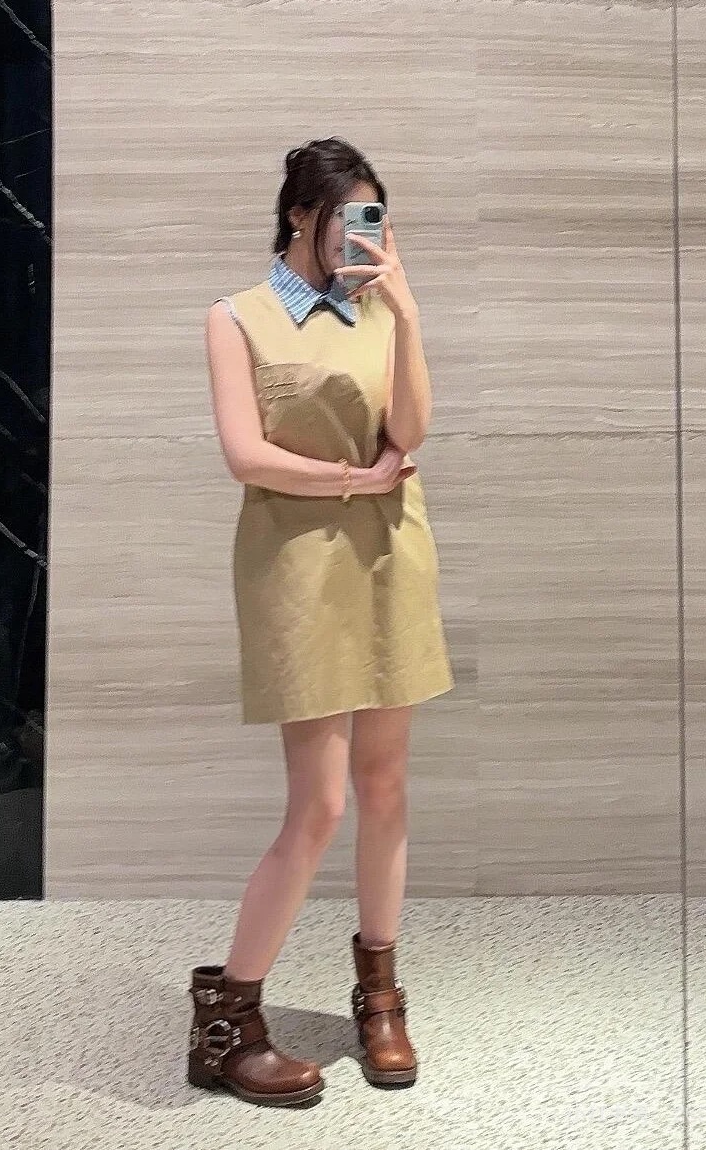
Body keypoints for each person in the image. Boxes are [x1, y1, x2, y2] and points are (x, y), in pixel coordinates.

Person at [189, 137, 454, 1106]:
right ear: (302, 214)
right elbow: (246, 455)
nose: (364, 235)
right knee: (321, 804)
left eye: (377, 217)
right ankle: (225, 1023)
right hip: (297, 565)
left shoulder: (381, 311)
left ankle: (380, 997)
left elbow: (410, 431)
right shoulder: (237, 317)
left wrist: (408, 311)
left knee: (385, 786)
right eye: (350, 215)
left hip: (389, 553)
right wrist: (352, 479)